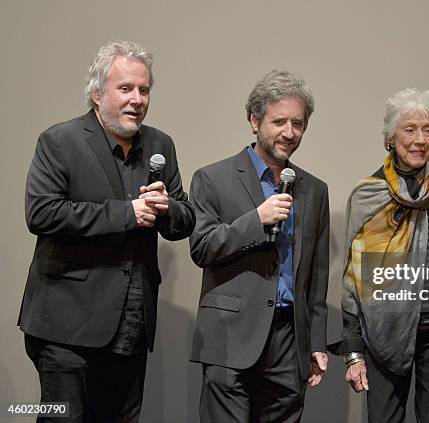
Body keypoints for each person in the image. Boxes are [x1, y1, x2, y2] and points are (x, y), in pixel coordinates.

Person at [19, 40, 195, 422]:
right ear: (97, 94)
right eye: (125, 88)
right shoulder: (60, 141)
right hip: (67, 329)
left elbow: (184, 218)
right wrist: (127, 214)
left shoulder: (161, 145)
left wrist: (166, 209)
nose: (137, 99)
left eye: (144, 90)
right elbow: (42, 213)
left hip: (131, 326)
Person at [189, 69, 329, 423]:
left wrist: (315, 342)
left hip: (288, 340)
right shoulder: (212, 178)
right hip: (229, 337)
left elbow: (316, 274)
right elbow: (202, 247)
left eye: (298, 123)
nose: (289, 132)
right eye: (278, 121)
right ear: (254, 121)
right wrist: (257, 219)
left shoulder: (314, 190)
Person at [336, 88, 429, 423]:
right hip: (383, 333)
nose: (419, 140)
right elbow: (354, 282)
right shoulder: (367, 195)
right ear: (390, 138)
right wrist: (353, 350)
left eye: (427, 130)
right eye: (409, 129)